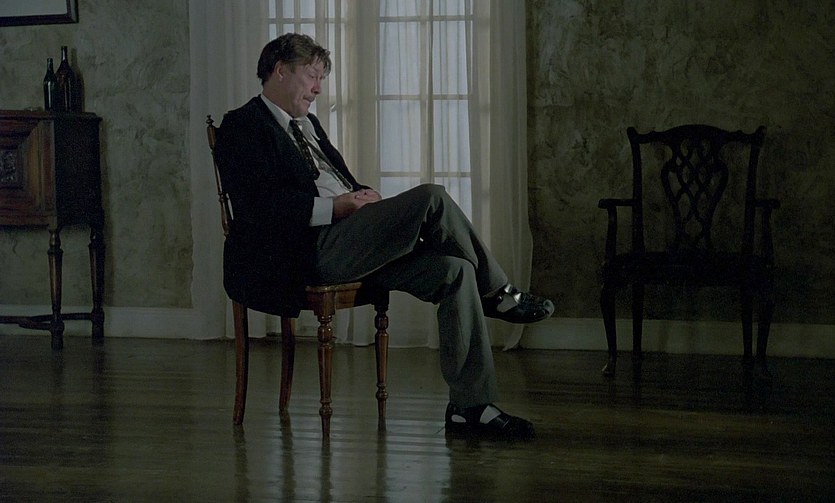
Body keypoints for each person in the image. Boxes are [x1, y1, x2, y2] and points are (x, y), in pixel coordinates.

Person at [213, 33, 555, 440]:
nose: (318, 88)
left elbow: (336, 181)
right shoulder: (243, 125)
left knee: (455, 270)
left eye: (321, 78)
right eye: (312, 76)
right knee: (432, 198)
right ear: (280, 71)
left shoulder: (308, 126)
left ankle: (470, 407)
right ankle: (498, 292)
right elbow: (258, 209)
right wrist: (337, 208)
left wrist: (362, 196)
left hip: (350, 240)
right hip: (306, 251)